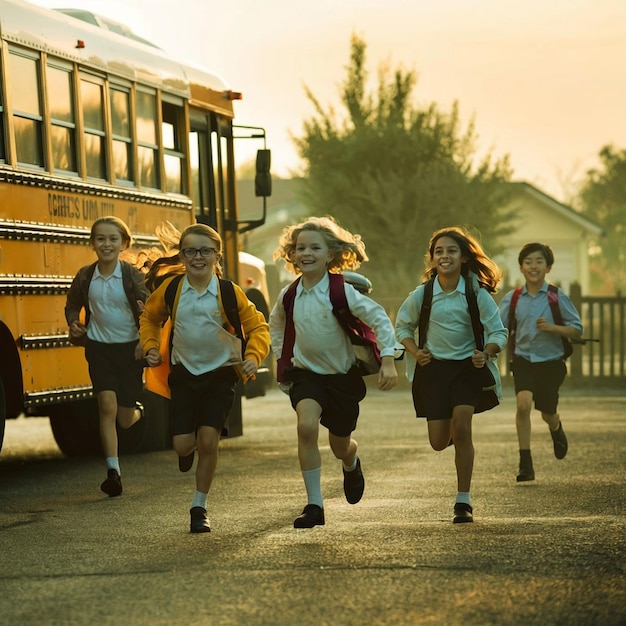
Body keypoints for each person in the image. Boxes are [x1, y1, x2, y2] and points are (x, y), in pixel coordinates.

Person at [269, 216, 399, 529]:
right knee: (306, 427)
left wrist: (389, 359)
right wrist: (282, 360)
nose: (306, 253)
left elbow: (379, 318)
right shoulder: (289, 294)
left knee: (341, 444)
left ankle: (351, 463)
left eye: (315, 247)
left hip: (342, 379)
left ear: (330, 255)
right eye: (301, 247)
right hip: (306, 376)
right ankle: (315, 505)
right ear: (292, 254)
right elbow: (276, 325)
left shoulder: (340, 291)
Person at [140, 223, 270, 533]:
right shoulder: (172, 290)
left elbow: (258, 327)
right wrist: (150, 347)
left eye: (205, 251)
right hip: (184, 374)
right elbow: (150, 317)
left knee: (209, 440)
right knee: (183, 444)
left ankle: (199, 506)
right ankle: (188, 450)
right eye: (191, 251)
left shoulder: (228, 292)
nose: (198, 257)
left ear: (217, 256)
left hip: (220, 375)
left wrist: (252, 358)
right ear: (182, 256)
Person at [395, 226, 508, 524]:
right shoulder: (423, 294)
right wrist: (415, 352)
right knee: (437, 441)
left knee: (463, 425)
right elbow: (402, 327)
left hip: (468, 370)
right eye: (439, 252)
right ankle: (457, 439)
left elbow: (498, 331)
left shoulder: (475, 292)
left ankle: (463, 501)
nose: (445, 256)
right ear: (432, 259)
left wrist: (487, 352)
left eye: (451, 251)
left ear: (463, 257)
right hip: (433, 371)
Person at [65, 216, 148, 497]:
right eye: (100, 239)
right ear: (92, 243)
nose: (106, 244)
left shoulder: (132, 276)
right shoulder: (86, 275)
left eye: (113, 239)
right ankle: (113, 471)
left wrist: (144, 338)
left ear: (123, 243)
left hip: (130, 350)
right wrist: (74, 321)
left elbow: (150, 311)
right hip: (99, 348)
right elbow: (73, 302)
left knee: (124, 418)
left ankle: (138, 411)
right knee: (106, 405)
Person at [498, 243, 582, 482]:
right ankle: (525, 463)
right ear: (521, 267)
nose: (533, 266)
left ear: (548, 267)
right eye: (528, 262)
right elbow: (497, 328)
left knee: (547, 412)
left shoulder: (556, 296)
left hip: (551, 363)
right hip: (523, 359)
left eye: (538, 261)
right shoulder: (513, 298)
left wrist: (552, 328)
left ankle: (555, 426)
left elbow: (577, 329)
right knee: (523, 405)